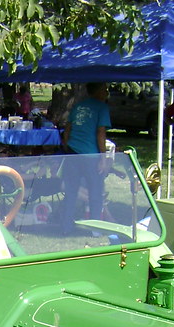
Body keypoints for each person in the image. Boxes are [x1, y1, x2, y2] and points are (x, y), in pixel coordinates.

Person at [60, 83, 112, 233]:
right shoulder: (102, 108)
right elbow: (100, 132)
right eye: (104, 89)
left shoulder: (78, 106)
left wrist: (67, 145)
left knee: (71, 191)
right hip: (91, 155)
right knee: (95, 192)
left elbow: (68, 128)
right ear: (97, 91)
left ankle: (66, 227)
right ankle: (96, 229)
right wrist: (103, 157)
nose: (107, 92)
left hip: (73, 152)